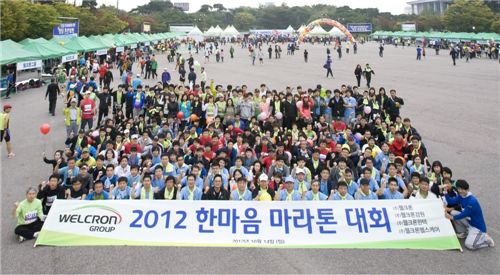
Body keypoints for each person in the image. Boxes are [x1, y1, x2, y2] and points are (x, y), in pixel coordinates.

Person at [444, 180, 495, 250]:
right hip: (469, 222)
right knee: (453, 212)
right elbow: (451, 201)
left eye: (463, 189)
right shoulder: (460, 196)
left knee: (469, 245)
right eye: (459, 189)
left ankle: (486, 240)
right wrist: (445, 191)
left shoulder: (472, 201)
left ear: (467, 189)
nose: (460, 191)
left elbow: (463, 214)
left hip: (477, 228)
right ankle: (464, 232)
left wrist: (451, 217)